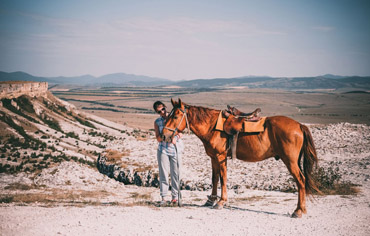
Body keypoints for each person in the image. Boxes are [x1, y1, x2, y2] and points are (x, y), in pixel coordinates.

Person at [153, 101, 183, 206]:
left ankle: (175, 197)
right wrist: (164, 137)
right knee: (163, 174)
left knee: (176, 174)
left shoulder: (174, 117)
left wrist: (175, 138)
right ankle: (164, 197)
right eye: (159, 111)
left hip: (175, 149)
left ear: (165, 107)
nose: (162, 112)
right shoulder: (157, 122)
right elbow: (157, 137)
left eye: (163, 109)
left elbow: (181, 132)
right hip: (163, 150)